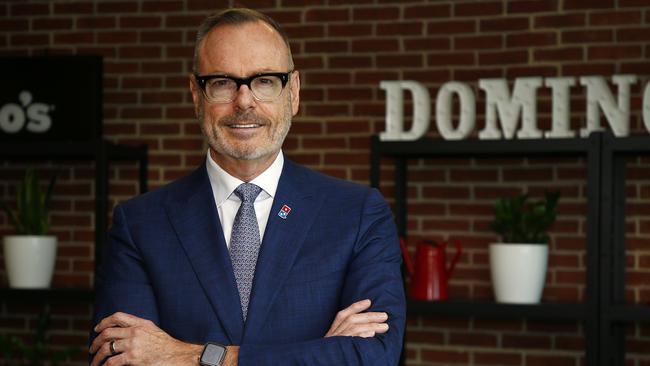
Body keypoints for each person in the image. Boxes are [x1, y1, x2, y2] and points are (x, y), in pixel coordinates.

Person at [89, 8, 405, 366]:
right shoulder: (139, 225)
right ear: (196, 94)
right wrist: (321, 352)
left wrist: (188, 355)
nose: (244, 101)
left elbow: (372, 358)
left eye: (265, 81)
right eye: (222, 82)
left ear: (294, 92)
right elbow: (122, 359)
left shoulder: (358, 214)